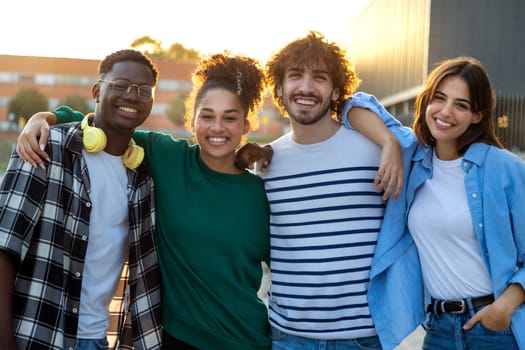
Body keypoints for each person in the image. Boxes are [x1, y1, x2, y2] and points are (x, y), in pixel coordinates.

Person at [15, 52, 271, 350]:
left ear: (246, 126)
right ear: (192, 121)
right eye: (207, 116)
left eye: (230, 118)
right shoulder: (166, 157)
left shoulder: (260, 192)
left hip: (245, 340)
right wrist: (44, 117)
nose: (217, 127)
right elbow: (103, 126)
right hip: (177, 338)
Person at [238, 30, 423, 349]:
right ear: (280, 88)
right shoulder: (267, 163)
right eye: (295, 76)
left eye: (319, 78)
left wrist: (389, 140)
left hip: (362, 337)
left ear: (337, 90)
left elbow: (416, 148)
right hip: (288, 337)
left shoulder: (375, 148)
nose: (306, 87)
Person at [344, 56, 525, 349]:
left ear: (477, 115)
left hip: (494, 329)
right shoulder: (413, 157)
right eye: (439, 99)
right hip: (439, 329)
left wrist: (502, 309)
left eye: (461, 105)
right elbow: (352, 104)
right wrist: (389, 143)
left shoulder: (503, 168)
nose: (445, 112)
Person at [0, 49, 162, 350]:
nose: (132, 95)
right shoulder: (46, 147)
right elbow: (3, 249)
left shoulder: (141, 178)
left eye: (143, 90)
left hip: (96, 339)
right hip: (37, 335)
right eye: (121, 85)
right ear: (97, 90)